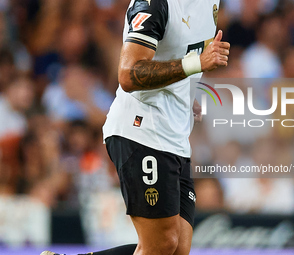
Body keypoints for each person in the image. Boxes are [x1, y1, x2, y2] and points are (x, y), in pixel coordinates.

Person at [41, 0, 229, 254]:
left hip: (175, 135)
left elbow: (175, 51)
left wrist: (185, 93)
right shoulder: (154, 4)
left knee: (177, 249)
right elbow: (129, 74)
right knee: (160, 244)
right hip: (141, 128)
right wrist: (196, 64)